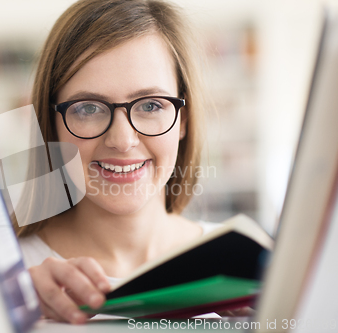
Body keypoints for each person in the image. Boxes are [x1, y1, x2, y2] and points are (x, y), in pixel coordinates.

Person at [12, 0, 223, 324]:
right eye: (88, 108)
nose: (122, 141)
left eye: (151, 106)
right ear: (50, 126)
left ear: (184, 120)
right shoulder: (6, 277)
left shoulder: (248, 266)